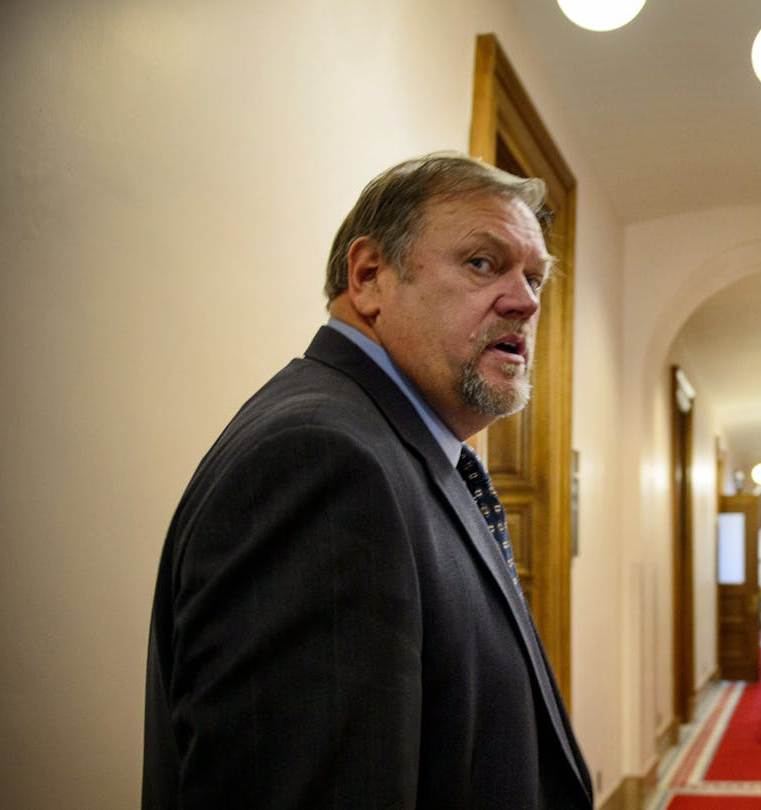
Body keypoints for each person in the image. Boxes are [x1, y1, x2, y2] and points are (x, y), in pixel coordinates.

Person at [143, 153, 592, 809]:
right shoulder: (322, 462)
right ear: (369, 277)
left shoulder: (395, 451)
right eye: (482, 263)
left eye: (534, 277)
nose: (525, 302)